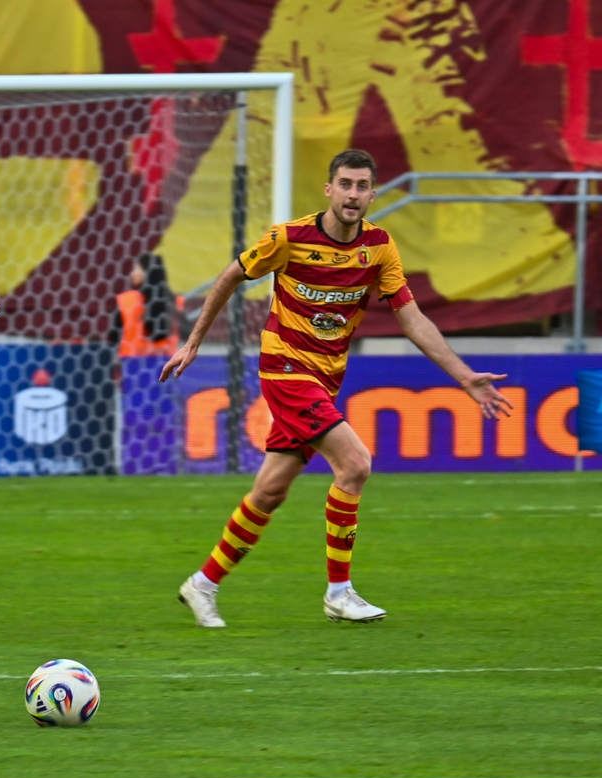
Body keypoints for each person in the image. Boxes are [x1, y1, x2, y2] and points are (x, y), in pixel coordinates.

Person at [162, 149, 512, 627]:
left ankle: (202, 584)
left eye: (362, 186)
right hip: (285, 369)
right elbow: (230, 276)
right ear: (329, 189)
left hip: (325, 379)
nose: (353, 194)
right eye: (345, 184)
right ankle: (339, 593)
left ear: (372, 194)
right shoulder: (288, 238)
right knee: (355, 464)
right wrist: (194, 341)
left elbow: (411, 317)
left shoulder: (379, 247)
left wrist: (464, 375)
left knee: (270, 491)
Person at [114, 253, 183, 356]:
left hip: (132, 361)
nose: (132, 274)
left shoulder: (127, 300)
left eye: (135, 269)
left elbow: (114, 335)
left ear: (146, 273)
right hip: (166, 360)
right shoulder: (176, 302)